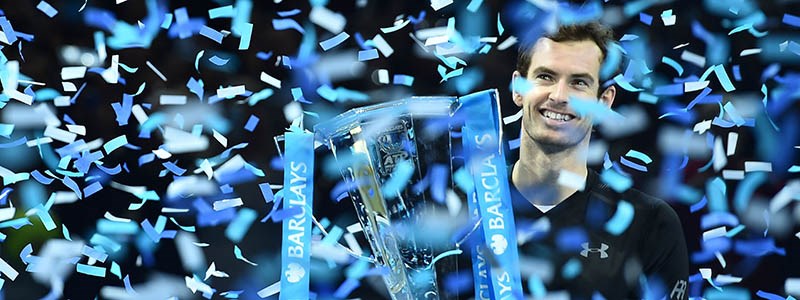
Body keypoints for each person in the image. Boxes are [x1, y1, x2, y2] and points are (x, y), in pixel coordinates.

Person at [508, 21, 690, 299]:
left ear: (604, 101)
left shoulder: (650, 223)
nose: (558, 96)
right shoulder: (465, 206)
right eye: (545, 77)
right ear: (518, 89)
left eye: (579, 82)